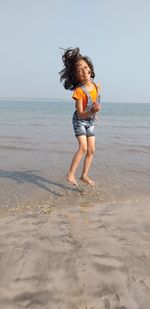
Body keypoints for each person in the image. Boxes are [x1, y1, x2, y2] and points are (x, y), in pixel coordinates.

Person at [59, 47, 101, 186]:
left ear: (90, 68)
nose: (84, 71)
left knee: (92, 150)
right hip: (80, 121)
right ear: (75, 76)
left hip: (90, 121)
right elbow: (80, 113)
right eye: (80, 70)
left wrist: (96, 113)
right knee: (83, 147)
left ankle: (84, 175)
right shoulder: (78, 91)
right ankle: (70, 174)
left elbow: (95, 101)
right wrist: (91, 112)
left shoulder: (95, 86)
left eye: (85, 67)